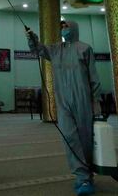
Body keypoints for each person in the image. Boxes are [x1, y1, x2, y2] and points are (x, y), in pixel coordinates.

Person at [27, 20, 102, 196]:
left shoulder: (85, 49)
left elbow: (94, 77)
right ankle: (82, 177)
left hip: (83, 100)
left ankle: (88, 176)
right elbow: (38, 49)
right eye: (61, 27)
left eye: (66, 26)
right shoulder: (55, 49)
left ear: (74, 28)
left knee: (85, 139)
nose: (63, 29)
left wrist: (95, 101)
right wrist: (32, 38)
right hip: (63, 101)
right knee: (69, 136)